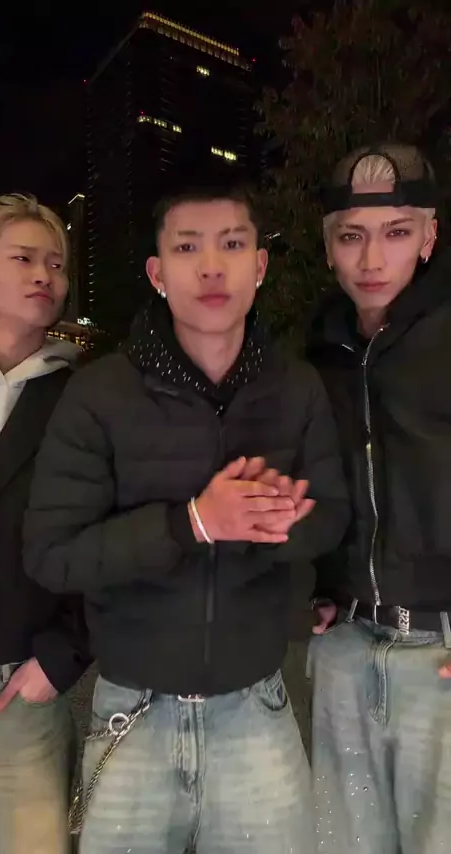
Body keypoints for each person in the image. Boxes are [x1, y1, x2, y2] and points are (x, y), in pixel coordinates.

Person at [24, 184, 349, 854]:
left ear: (260, 265)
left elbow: (331, 517)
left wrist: (280, 522)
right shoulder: (100, 393)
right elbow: (53, 553)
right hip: (133, 711)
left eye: (232, 245)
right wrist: (193, 523)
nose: (211, 267)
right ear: (158, 272)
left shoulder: (297, 388)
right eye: (187, 247)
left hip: (257, 709)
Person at [306, 143, 451, 854]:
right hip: (346, 649)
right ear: (328, 246)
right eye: (351, 236)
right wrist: (312, 585)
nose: (372, 258)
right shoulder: (318, 352)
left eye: (396, 232)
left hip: (442, 654)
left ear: (428, 237)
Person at [0, 193, 90, 854]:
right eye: (23, 258)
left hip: (17, 684)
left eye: (56, 263)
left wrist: (61, 656)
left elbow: (110, 541)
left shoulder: (85, 400)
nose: (45, 274)